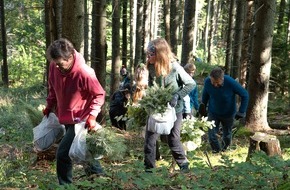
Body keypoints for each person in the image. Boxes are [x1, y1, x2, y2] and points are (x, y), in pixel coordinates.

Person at [43, 38, 106, 185]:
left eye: (60, 64)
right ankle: (99, 179)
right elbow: (53, 88)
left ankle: (65, 186)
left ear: (70, 57)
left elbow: (99, 94)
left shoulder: (84, 72)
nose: (57, 67)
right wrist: (49, 105)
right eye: (55, 64)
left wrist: (92, 116)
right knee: (82, 150)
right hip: (65, 117)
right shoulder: (54, 66)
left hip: (81, 119)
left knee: (63, 154)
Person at [144, 38, 196, 172]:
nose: (148, 57)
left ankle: (184, 167)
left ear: (159, 54)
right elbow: (150, 86)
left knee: (173, 139)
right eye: (148, 54)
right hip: (156, 110)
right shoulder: (151, 67)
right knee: (150, 140)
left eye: (151, 54)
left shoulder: (175, 68)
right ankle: (149, 171)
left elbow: (191, 84)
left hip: (175, 109)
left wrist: (177, 95)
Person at [201, 67, 249, 153]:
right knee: (212, 134)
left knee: (227, 134)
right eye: (213, 82)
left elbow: (245, 95)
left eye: (217, 82)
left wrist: (241, 111)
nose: (215, 85)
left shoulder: (230, 82)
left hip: (228, 113)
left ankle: (224, 150)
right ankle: (216, 151)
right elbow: (205, 95)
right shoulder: (208, 82)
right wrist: (202, 108)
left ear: (222, 79)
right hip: (213, 112)